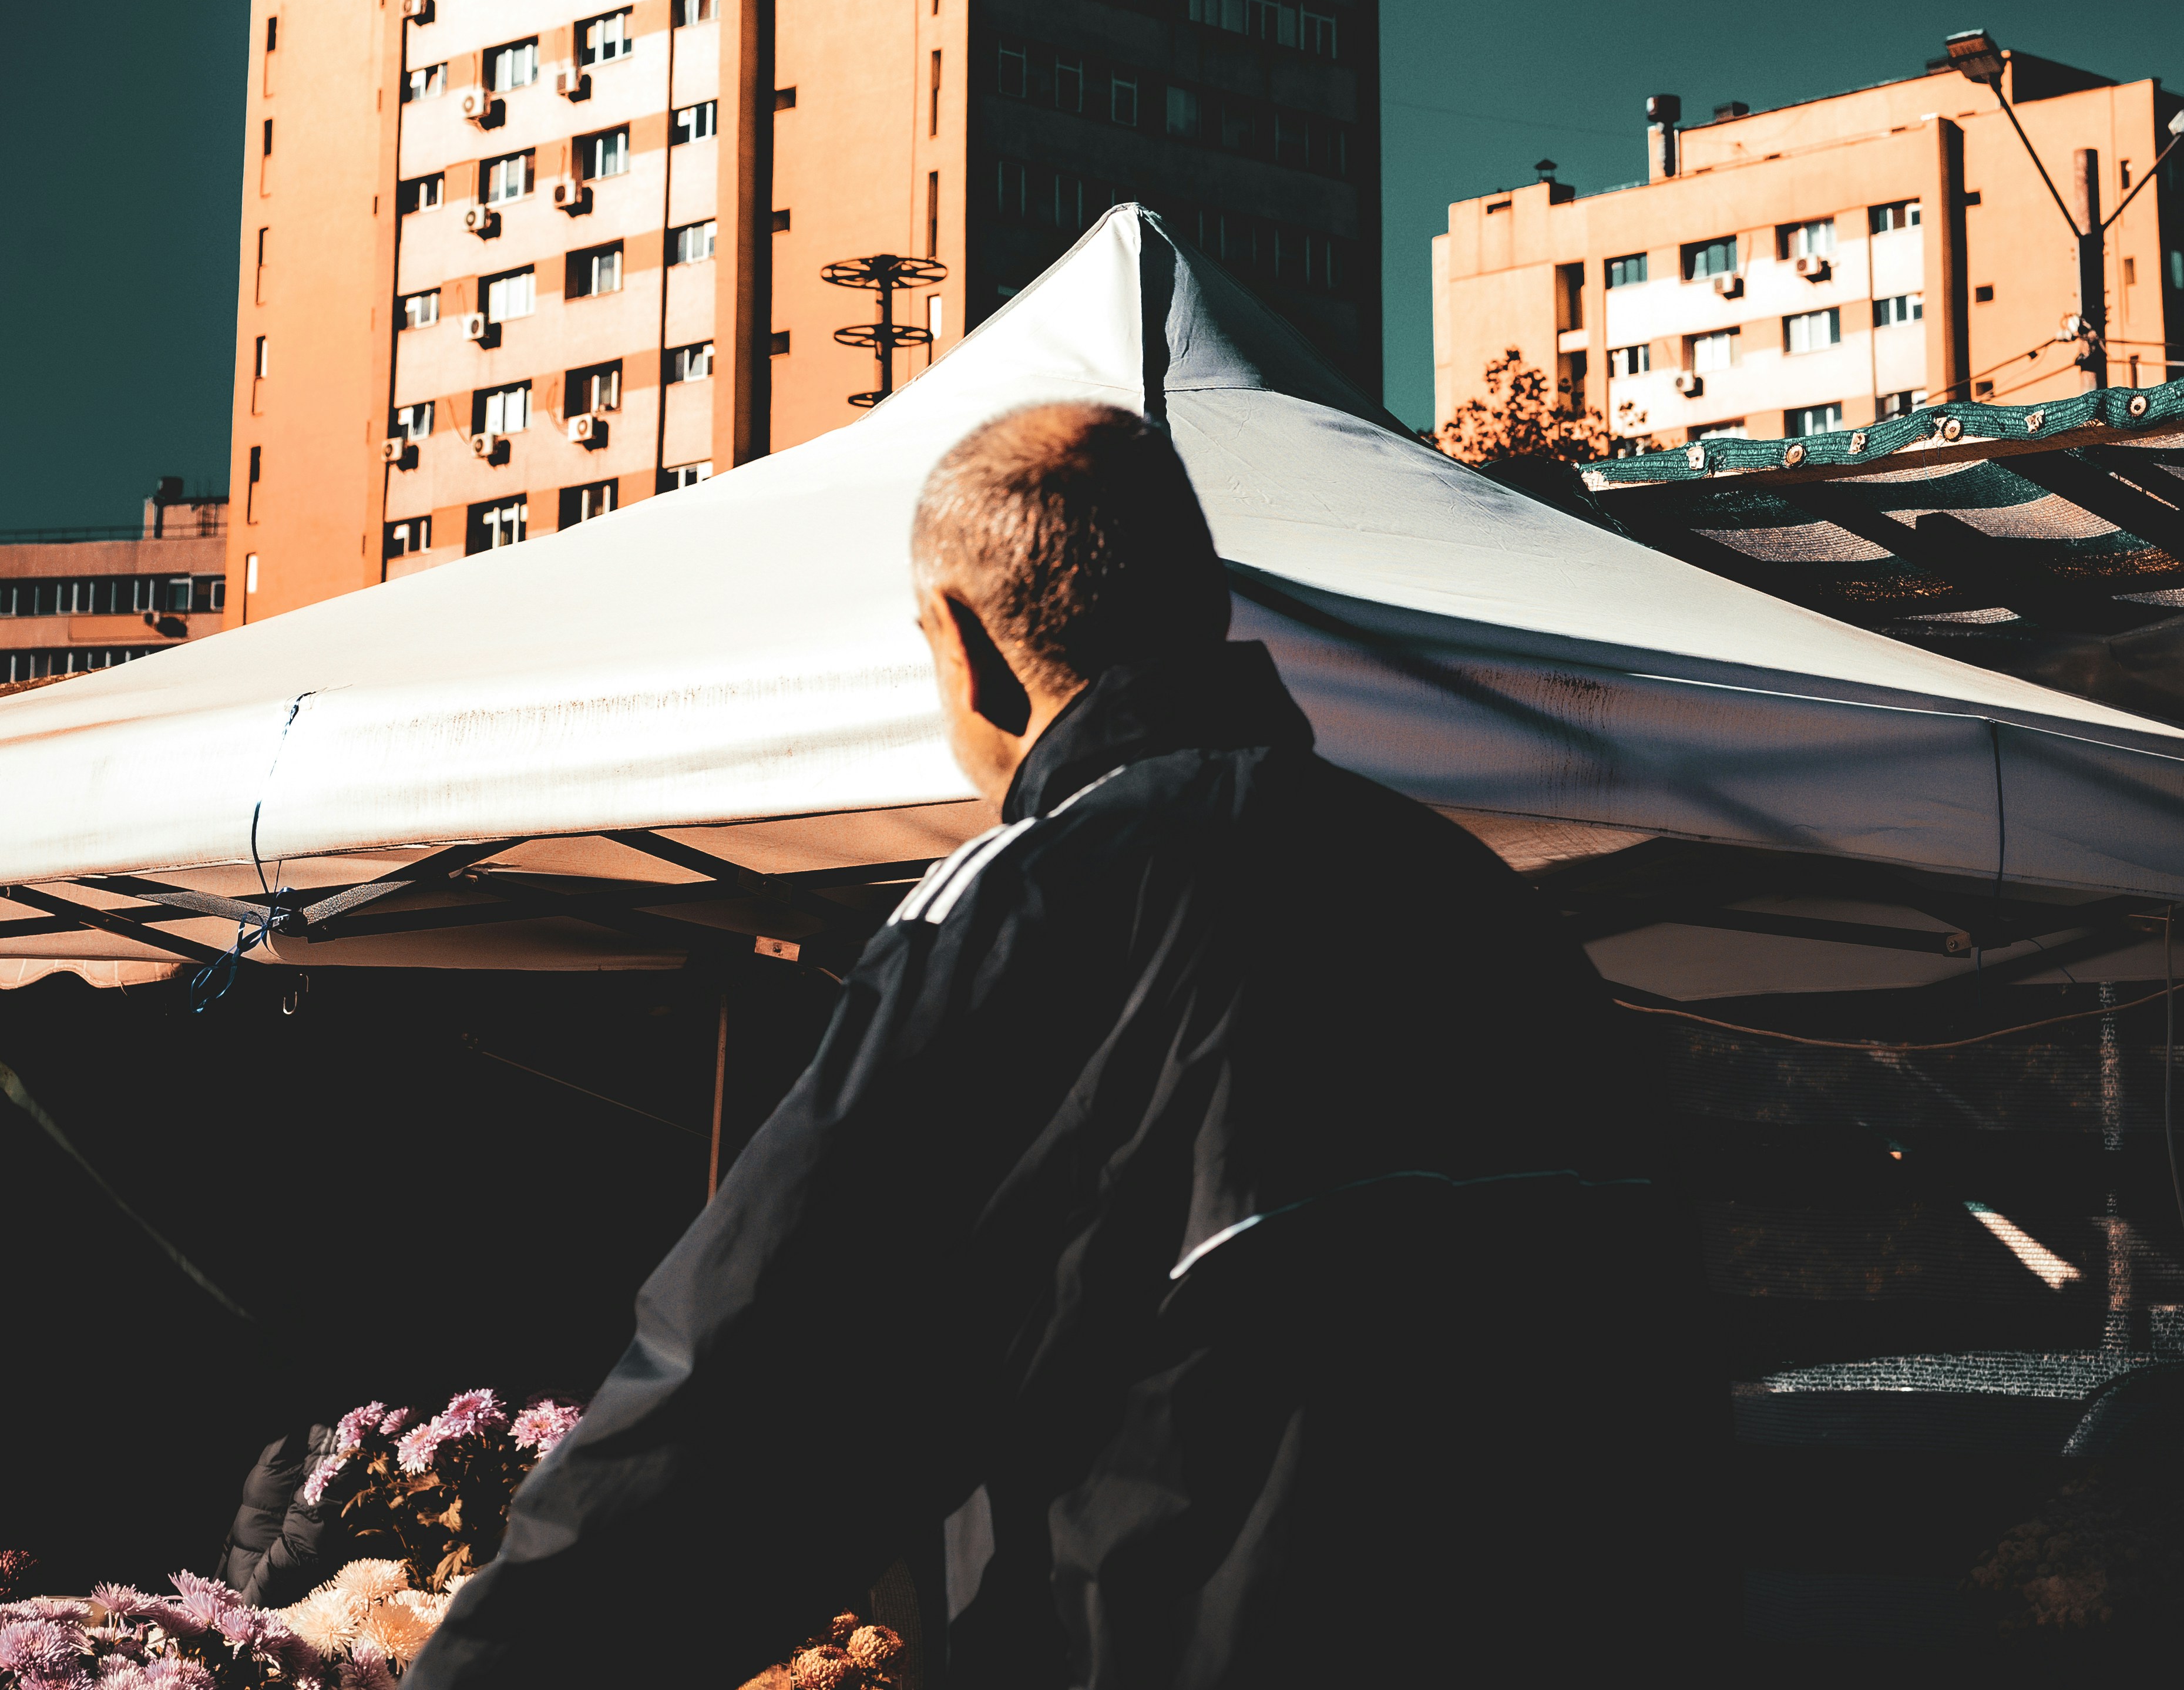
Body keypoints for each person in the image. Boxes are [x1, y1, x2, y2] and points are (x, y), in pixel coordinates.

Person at [410, 402, 1719, 1688]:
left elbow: (768, 1378)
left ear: (963, 645)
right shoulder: (1475, 897)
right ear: (1209, 609)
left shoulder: (1041, 900)